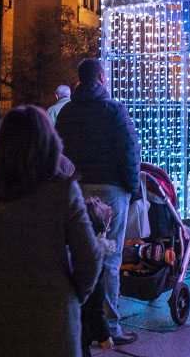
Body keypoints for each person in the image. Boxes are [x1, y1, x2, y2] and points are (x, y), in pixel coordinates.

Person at [0, 105, 102, 357]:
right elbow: (89, 257)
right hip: (56, 317)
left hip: (4, 318)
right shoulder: (63, 192)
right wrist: (73, 294)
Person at [55, 58, 140, 346]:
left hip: (76, 187)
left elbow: (59, 151)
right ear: (102, 77)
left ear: (79, 80)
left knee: (78, 254)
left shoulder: (66, 112)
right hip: (110, 189)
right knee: (110, 260)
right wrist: (133, 187)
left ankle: (78, 321)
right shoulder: (114, 110)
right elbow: (129, 152)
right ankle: (109, 327)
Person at [80, 196, 115, 356]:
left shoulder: (70, 250)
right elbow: (95, 303)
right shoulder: (94, 257)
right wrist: (104, 336)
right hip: (77, 327)